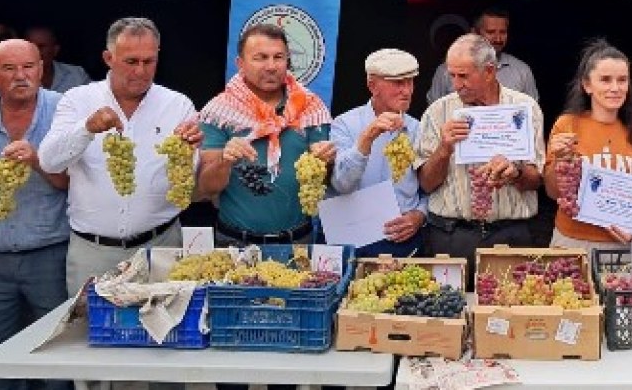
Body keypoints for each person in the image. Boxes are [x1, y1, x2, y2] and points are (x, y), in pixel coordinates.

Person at [37, 17, 202, 297]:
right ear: (108, 58)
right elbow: (49, 161)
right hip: (92, 252)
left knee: (163, 332)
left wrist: (189, 151)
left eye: (149, 61)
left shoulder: (178, 104)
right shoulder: (77, 100)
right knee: (89, 335)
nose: (140, 70)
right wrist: (86, 129)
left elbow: (187, 181)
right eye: (131, 61)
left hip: (160, 246)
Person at [0, 40, 70, 390]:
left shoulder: (64, 110)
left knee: (55, 355)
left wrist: (38, 160)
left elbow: (74, 184)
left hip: (51, 254)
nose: (21, 76)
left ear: (42, 67)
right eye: (9, 69)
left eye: (28, 67)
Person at [416, 34, 545, 276]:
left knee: (504, 312)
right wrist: (444, 149)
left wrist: (515, 172)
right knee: (447, 310)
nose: (456, 84)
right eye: (451, 75)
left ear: (489, 71)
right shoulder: (438, 111)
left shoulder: (525, 108)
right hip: (450, 236)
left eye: (463, 76)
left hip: (509, 235)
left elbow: (536, 179)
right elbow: (426, 183)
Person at [198, 23, 334, 247]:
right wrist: (225, 160)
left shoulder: (311, 108)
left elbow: (324, 181)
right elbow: (206, 187)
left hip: (298, 243)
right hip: (234, 244)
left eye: (278, 57)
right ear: (240, 64)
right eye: (260, 57)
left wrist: (327, 161)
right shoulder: (219, 112)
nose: (271, 66)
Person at [544, 39, 632, 251]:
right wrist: (559, 159)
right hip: (572, 240)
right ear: (587, 85)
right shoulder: (567, 124)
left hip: (620, 242)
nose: (615, 88)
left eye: (622, 80)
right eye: (605, 80)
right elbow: (553, 192)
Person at [329, 49, 427, 258]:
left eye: (410, 82)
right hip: (353, 241)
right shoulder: (344, 124)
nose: (407, 91)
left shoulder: (419, 129)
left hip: (403, 240)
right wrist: (367, 137)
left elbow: (431, 187)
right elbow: (341, 184)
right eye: (398, 83)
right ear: (372, 86)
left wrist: (419, 216)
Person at [426, 8, 539, 104]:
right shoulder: (446, 71)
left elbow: (532, 114)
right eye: (491, 32)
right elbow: (434, 115)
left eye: (503, 32)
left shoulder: (522, 71)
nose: (498, 38)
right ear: (475, 32)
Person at [26, 25, 92, 94]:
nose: (35, 51)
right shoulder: (17, 77)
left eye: (41, 46)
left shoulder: (77, 75)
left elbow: (92, 101)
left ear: (55, 50)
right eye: (31, 46)